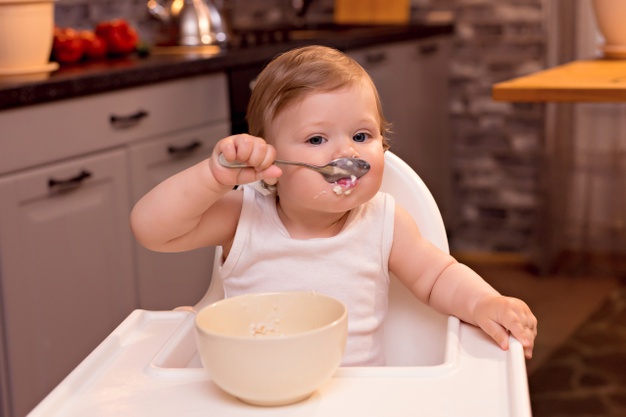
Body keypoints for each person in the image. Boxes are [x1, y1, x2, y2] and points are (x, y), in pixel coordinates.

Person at [131, 45, 537, 366]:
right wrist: (212, 177)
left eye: (362, 136)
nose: (346, 151)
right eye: (316, 140)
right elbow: (152, 230)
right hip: (251, 390)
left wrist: (485, 302)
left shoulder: (383, 221)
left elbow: (438, 278)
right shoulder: (244, 216)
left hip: (354, 397)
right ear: (270, 161)